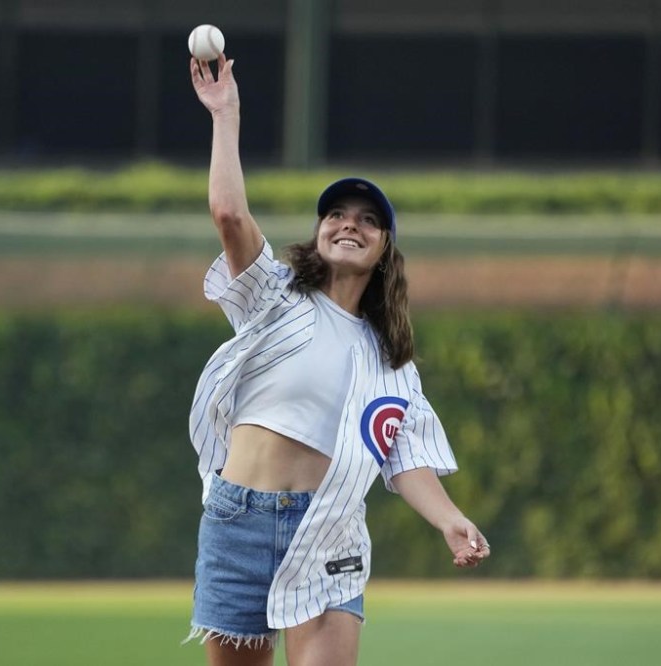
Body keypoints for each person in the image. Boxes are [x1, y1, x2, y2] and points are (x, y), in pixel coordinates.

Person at [185, 52, 491, 666]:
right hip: (237, 517)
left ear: (384, 250)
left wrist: (450, 519)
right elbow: (228, 213)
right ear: (320, 231)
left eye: (368, 221)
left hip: (328, 532)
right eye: (337, 215)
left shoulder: (392, 362)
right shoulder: (272, 294)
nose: (349, 224)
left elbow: (405, 456)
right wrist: (226, 114)